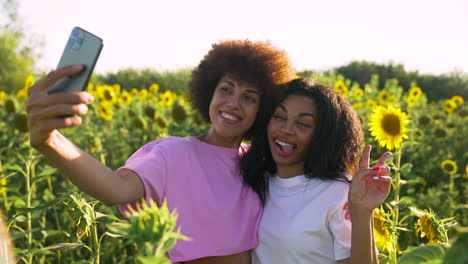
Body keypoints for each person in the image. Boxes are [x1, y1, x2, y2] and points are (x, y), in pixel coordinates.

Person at [26, 40, 296, 264]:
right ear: (209, 93)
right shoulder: (174, 153)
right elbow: (115, 189)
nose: (234, 103)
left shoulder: (260, 161)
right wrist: (50, 141)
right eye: (226, 89)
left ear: (263, 109)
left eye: (249, 97)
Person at [241, 77, 393, 264]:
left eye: (303, 124)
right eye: (279, 116)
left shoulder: (337, 192)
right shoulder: (253, 179)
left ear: (323, 135)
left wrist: (362, 212)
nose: (286, 129)